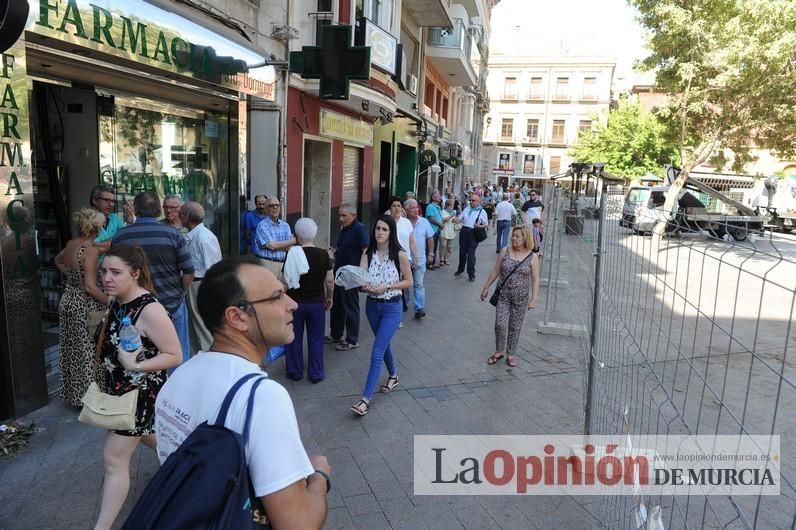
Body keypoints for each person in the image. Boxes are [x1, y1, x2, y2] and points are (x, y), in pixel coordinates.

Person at [155, 256, 331, 529]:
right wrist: (320, 476)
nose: (292, 304)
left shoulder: (177, 378)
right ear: (237, 317)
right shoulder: (262, 397)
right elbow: (299, 524)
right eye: (277, 296)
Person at [93, 245, 182, 530]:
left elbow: (175, 355)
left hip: (140, 395)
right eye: (104, 271)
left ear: (135, 273)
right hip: (120, 394)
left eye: (115, 272)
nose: (107, 277)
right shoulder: (117, 301)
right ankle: (191, 467)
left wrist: (135, 366)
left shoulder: (150, 309)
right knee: (156, 439)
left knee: (113, 460)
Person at [112, 192, 195, 362]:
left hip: (134, 308)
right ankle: (175, 388)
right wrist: (181, 291)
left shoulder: (121, 236)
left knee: (138, 358)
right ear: (159, 210)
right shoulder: (173, 234)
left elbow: (115, 272)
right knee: (177, 357)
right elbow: (189, 271)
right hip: (172, 302)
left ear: (135, 209)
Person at [350, 216, 413, 416]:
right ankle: (393, 376)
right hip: (372, 307)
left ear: (391, 232)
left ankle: (365, 400)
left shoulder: (399, 255)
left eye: (384, 229)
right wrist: (364, 285)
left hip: (392, 308)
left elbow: (409, 282)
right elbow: (361, 278)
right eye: (377, 228)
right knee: (382, 344)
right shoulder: (368, 252)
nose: (379, 232)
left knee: (377, 350)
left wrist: (387, 286)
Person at [55, 208, 110, 407]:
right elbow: (90, 286)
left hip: (68, 301)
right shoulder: (91, 250)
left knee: (72, 350)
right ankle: (92, 399)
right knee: (90, 352)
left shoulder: (72, 244)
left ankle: (75, 395)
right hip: (86, 306)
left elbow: (58, 260)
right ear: (96, 226)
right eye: (103, 224)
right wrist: (110, 302)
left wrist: (71, 277)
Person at [479, 226, 540, 368]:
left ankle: (511, 354)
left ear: (525, 238)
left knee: (515, 326)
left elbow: (536, 279)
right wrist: (486, 287)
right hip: (503, 295)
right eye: (513, 235)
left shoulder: (533, 257)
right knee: (500, 324)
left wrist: (534, 298)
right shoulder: (505, 251)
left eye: (517, 236)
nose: (514, 238)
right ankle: (499, 351)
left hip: (521, 298)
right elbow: (496, 270)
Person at [285, 218, 334, 382]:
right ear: (314, 234)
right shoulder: (323, 254)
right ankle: (316, 373)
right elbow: (329, 281)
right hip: (316, 303)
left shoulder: (292, 254)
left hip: (295, 303)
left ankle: (295, 371)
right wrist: (329, 297)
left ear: (297, 236)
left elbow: (285, 280)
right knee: (316, 339)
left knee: (294, 338)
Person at [180, 201, 222, 354]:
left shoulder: (204, 238)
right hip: (193, 285)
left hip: (200, 286)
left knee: (202, 329)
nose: (179, 215)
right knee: (193, 329)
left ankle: (211, 360)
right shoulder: (194, 235)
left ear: (186, 217)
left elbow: (214, 268)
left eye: (181, 212)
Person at [326, 204, 368, 351]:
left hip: (351, 274)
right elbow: (344, 247)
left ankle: (352, 339)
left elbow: (366, 250)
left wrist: (362, 273)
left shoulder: (359, 229)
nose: (340, 218)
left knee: (350, 307)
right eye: (339, 215)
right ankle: (336, 334)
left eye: (344, 216)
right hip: (339, 272)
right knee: (336, 304)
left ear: (353, 215)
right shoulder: (345, 229)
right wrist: (334, 253)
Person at [254, 196, 296, 282]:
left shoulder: (285, 225)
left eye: (277, 205)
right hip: (268, 264)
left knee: (283, 291)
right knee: (269, 293)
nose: (275, 207)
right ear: (266, 209)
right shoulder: (262, 225)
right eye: (271, 205)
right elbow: (271, 246)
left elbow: (289, 247)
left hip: (284, 264)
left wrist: (277, 245)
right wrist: (292, 240)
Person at [405, 199, 434, 319]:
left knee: (418, 284)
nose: (416, 210)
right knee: (405, 284)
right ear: (406, 210)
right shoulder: (402, 223)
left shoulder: (424, 222)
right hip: (405, 260)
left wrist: (431, 253)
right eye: (412, 208)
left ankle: (419, 308)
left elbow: (430, 238)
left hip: (420, 259)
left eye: (417, 207)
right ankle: (404, 303)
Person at [388, 196, 417, 312]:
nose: (396, 208)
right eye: (393, 206)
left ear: (402, 208)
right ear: (390, 208)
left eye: (398, 206)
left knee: (404, 285)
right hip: (389, 259)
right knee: (394, 286)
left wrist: (416, 256)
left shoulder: (407, 223)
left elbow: (412, 241)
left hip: (405, 259)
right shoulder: (386, 222)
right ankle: (396, 310)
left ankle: (401, 305)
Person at [453, 194, 488, 282]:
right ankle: (460, 269)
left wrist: (479, 226)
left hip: (473, 233)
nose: (471, 202)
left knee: (471, 254)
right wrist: (456, 220)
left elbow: (486, 224)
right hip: (464, 231)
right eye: (470, 200)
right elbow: (460, 218)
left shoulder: (482, 211)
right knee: (462, 252)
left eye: (473, 200)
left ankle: (471, 274)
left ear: (478, 202)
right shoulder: (467, 209)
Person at [90, 185, 125, 254]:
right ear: (95, 200)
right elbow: (86, 248)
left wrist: (99, 245)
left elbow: (125, 238)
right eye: (107, 200)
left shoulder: (115, 218)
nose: (111, 204)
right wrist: (115, 241)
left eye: (113, 201)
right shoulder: (87, 220)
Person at [424, 190, 444, 270]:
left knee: (434, 247)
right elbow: (431, 218)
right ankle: (428, 264)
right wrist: (440, 224)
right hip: (431, 231)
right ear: (433, 198)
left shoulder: (438, 206)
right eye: (438, 195)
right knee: (430, 247)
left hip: (436, 230)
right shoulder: (430, 206)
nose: (440, 197)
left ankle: (432, 262)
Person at [439, 199, 457, 266]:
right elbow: (443, 220)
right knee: (443, 246)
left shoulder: (453, 212)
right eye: (451, 205)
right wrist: (451, 216)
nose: (452, 206)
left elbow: (453, 221)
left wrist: (455, 220)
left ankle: (446, 258)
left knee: (450, 247)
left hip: (451, 231)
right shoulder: (443, 211)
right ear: (447, 205)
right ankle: (442, 259)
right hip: (444, 231)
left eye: (452, 205)